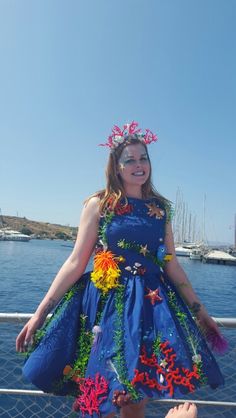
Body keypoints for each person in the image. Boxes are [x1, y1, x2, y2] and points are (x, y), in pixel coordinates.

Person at [16, 122, 226, 418]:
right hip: (103, 308)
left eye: (144, 158)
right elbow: (76, 261)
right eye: (131, 159)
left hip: (148, 309)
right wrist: (40, 313)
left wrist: (201, 313)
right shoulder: (98, 205)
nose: (139, 165)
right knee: (99, 395)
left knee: (133, 398)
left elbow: (171, 264)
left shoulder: (161, 210)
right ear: (116, 166)